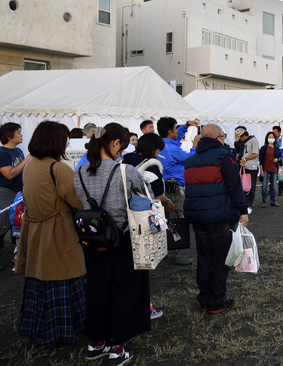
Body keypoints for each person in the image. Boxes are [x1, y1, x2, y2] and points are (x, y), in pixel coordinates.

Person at [74, 123, 151, 364]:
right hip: (122, 239)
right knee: (124, 291)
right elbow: (145, 197)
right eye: (122, 147)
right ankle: (118, 348)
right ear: (115, 143)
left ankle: (95, 343)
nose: (122, 152)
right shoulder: (126, 171)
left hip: (92, 239)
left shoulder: (79, 172)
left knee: (96, 290)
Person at [16, 121, 85, 346]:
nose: (66, 143)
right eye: (64, 138)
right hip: (58, 233)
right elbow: (78, 202)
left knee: (40, 285)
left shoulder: (31, 165)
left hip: (35, 230)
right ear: (56, 141)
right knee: (62, 282)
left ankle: (39, 330)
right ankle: (61, 333)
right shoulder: (58, 168)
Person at [183, 124, 248, 314]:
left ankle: (204, 299)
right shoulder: (223, 156)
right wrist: (242, 210)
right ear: (218, 138)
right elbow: (234, 186)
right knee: (220, 261)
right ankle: (217, 300)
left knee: (204, 259)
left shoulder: (190, 160)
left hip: (197, 216)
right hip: (220, 216)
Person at [122, 132, 173, 320]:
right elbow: (157, 195)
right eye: (158, 149)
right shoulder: (151, 165)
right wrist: (168, 203)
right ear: (154, 149)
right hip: (143, 220)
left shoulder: (125, 160)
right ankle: (144, 307)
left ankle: (132, 306)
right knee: (142, 263)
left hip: (123, 219)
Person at [157, 117, 200, 265]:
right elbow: (191, 159)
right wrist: (195, 144)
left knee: (164, 219)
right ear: (170, 131)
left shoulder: (162, 144)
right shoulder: (172, 149)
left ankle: (165, 250)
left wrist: (186, 126)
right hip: (175, 190)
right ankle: (174, 253)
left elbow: (175, 140)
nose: (178, 130)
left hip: (165, 187)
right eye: (176, 128)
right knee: (177, 219)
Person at [0, 122, 30, 270]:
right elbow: (9, 175)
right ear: (9, 136)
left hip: (20, 194)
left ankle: (19, 259)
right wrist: (28, 160)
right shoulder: (1, 153)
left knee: (19, 227)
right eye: (18, 132)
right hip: (7, 195)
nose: (21, 135)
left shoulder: (17, 151)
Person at [238, 129, 259, 212]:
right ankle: (245, 204)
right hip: (244, 166)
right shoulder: (243, 142)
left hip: (252, 167)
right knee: (244, 186)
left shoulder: (253, 140)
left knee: (251, 187)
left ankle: (249, 205)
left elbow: (255, 153)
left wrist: (245, 159)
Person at [259, 131, 282, 208]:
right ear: (267, 138)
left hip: (274, 168)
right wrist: (261, 170)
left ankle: (273, 201)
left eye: (272, 137)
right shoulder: (263, 148)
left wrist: (277, 159)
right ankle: (264, 201)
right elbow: (261, 160)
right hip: (265, 168)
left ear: (275, 139)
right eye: (269, 137)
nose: (271, 138)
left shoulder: (276, 148)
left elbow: (280, 157)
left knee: (274, 186)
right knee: (264, 186)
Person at [272, 125, 283, 196]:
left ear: (279, 133)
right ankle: (271, 189)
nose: (273, 134)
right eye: (273, 132)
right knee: (272, 174)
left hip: (282, 159)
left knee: (281, 175)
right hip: (273, 159)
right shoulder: (272, 139)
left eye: (275, 132)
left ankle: (280, 190)